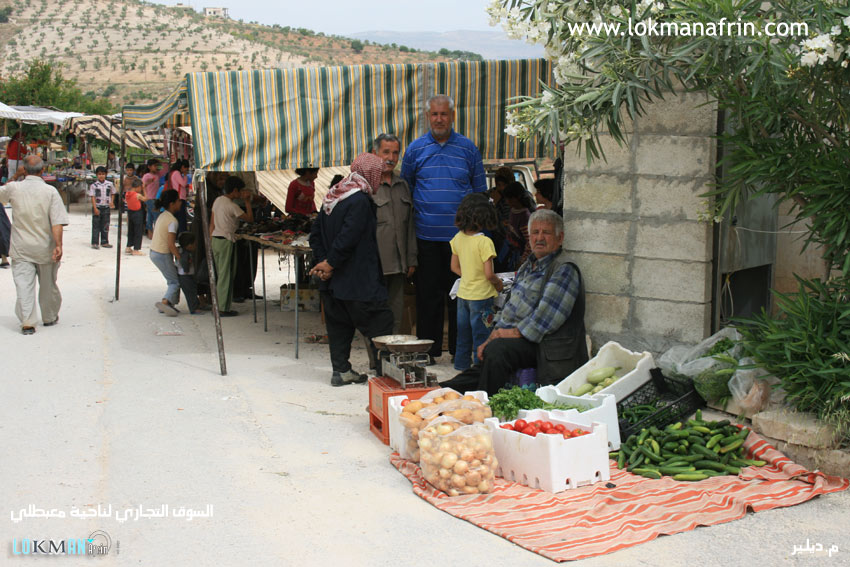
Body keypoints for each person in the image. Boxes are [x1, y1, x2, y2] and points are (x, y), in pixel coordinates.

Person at [401, 94, 487, 362]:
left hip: (462, 241)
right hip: (426, 237)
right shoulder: (415, 149)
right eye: (435, 114)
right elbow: (406, 191)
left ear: (453, 116)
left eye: (444, 114)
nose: (439, 119)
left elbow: (479, 194)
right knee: (428, 297)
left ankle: (459, 353)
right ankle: (429, 351)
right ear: (428, 117)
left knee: (461, 295)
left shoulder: (468, 149)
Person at [475, 209, 587, 395]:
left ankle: (484, 406)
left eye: (546, 232)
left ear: (560, 238)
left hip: (545, 348)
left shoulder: (564, 270)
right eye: (535, 232)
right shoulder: (527, 267)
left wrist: (502, 335)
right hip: (520, 342)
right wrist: (491, 337)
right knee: (473, 371)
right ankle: (442, 394)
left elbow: (543, 322)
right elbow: (507, 310)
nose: (539, 238)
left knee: (497, 350)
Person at [309, 153, 393, 387]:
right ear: (370, 174)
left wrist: (325, 264)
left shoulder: (333, 196)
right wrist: (330, 263)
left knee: (339, 326)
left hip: (333, 283)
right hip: (359, 282)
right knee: (380, 324)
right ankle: (386, 377)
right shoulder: (360, 201)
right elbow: (349, 237)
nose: (380, 179)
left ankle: (342, 371)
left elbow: (315, 235)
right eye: (379, 174)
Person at [0, 156, 69, 335]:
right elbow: (57, 222)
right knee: (48, 285)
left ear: (24, 169)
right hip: (45, 248)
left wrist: (15, 176)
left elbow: (1, 194)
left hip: (21, 247)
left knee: (24, 285)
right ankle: (49, 316)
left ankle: (28, 322)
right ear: (42, 170)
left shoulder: (14, 188)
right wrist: (59, 245)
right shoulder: (50, 192)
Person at [450, 194, 503, 371]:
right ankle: (480, 368)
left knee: (463, 334)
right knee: (481, 334)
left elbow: (454, 267)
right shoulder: (485, 242)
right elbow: (489, 274)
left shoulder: (458, 238)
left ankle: (461, 366)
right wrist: (498, 284)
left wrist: (469, 276)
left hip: (463, 294)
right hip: (482, 296)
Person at [372, 133, 417, 333]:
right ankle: (377, 352)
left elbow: (410, 226)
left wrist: (412, 258)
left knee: (395, 315)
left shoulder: (403, 186)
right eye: (386, 152)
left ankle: (392, 350)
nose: (391, 158)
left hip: (399, 266)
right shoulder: (367, 186)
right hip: (375, 265)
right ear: (375, 154)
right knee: (375, 314)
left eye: (395, 153)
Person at [209, 176, 253, 317]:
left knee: (221, 274)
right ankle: (222, 308)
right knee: (226, 275)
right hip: (225, 241)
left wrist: (210, 241)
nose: (241, 193)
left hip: (216, 239)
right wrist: (247, 202)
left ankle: (222, 306)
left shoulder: (218, 200)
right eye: (240, 191)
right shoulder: (232, 206)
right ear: (235, 190)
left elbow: (212, 224)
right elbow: (250, 219)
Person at [150, 190, 183, 316]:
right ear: (172, 203)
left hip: (154, 251)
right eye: (178, 200)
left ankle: (170, 304)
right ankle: (165, 302)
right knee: (174, 282)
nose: (180, 203)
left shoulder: (162, 215)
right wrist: (180, 257)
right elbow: (171, 244)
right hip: (162, 253)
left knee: (172, 279)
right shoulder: (172, 221)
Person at [503, 181, 532, 266]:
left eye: (510, 199)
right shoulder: (513, 210)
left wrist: (522, 261)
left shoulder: (525, 217)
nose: (507, 201)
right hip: (512, 252)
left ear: (518, 197)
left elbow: (529, 243)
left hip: (520, 255)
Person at [89, 166, 115, 249]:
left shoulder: (109, 184)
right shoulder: (94, 185)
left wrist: (112, 202)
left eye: (103, 174)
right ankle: (95, 242)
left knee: (105, 225)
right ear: (96, 175)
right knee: (96, 225)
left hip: (106, 207)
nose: (101, 176)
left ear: (106, 175)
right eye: (99, 174)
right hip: (97, 207)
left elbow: (113, 193)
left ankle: (104, 241)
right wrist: (95, 208)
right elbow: (92, 197)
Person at [176, 231, 203, 314]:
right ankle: (194, 308)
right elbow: (184, 262)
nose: (195, 246)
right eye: (194, 244)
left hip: (186, 276)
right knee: (190, 292)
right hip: (185, 276)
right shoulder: (184, 253)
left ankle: (197, 305)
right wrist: (186, 269)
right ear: (189, 245)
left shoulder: (181, 251)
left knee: (192, 291)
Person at [141, 158, 162, 239]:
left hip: (155, 198)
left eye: (157, 166)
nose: (156, 167)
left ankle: (150, 232)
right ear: (149, 167)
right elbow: (143, 186)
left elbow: (164, 168)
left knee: (150, 216)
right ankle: (156, 233)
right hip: (150, 198)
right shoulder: (147, 176)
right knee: (156, 215)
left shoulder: (157, 175)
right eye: (154, 166)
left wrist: (160, 162)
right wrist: (145, 196)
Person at [124, 177, 145, 255]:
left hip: (130, 212)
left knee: (131, 230)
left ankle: (128, 246)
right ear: (138, 187)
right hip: (137, 213)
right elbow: (146, 199)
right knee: (138, 231)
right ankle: (136, 249)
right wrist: (145, 190)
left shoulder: (127, 193)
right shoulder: (137, 195)